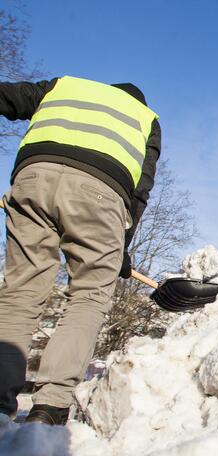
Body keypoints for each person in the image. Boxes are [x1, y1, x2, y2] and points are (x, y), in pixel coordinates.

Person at [0, 75, 160, 425]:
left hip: (33, 179)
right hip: (101, 193)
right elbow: (140, 190)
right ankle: (50, 405)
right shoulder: (147, 120)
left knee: (20, 293)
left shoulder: (64, 86)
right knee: (88, 296)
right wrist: (121, 247)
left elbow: (11, 97)